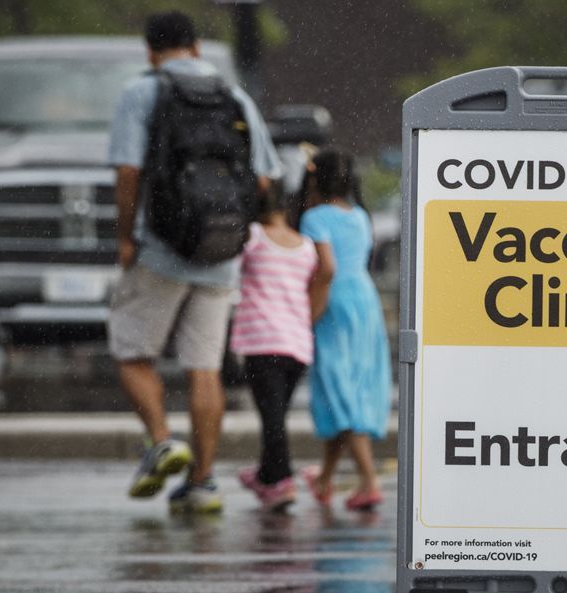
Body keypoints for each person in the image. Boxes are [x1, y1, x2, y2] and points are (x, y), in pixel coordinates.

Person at [107, 11, 282, 513]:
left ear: (150, 50)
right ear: (197, 48)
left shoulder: (142, 93)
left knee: (132, 352)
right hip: (220, 252)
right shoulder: (234, 96)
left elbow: (127, 169)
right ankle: (202, 483)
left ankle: (163, 440)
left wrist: (126, 236)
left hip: (162, 249)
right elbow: (265, 178)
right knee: (205, 368)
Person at [297, 148, 391, 511]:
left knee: (339, 386)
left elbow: (327, 269)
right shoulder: (360, 216)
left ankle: (368, 480)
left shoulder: (314, 217)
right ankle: (325, 479)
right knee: (353, 383)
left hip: (334, 301)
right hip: (364, 299)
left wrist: (309, 315)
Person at [231, 180, 334, 511]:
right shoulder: (305, 246)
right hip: (297, 345)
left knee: (272, 416)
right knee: (275, 413)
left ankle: (281, 480)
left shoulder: (253, 238)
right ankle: (265, 474)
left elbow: (229, 273)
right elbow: (320, 279)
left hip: (262, 343)